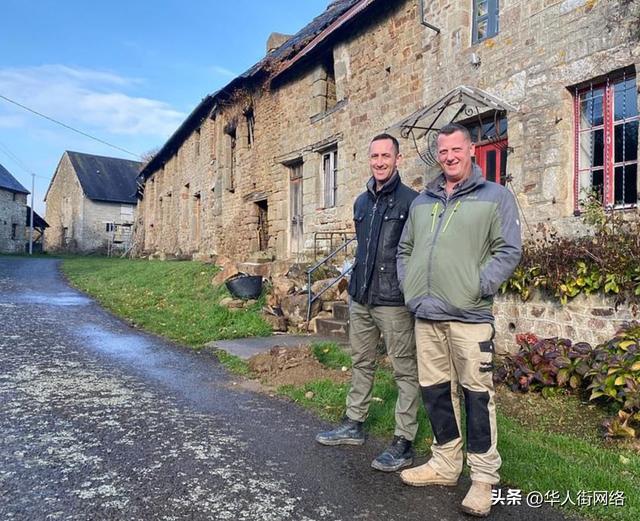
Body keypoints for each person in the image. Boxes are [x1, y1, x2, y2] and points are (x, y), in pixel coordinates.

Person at [396, 123, 522, 517]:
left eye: (456, 149)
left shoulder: (496, 197)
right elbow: (405, 249)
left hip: (469, 316)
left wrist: (476, 286)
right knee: (435, 392)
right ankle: (445, 464)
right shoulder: (422, 201)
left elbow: (508, 251)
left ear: (471, 150)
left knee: (477, 396)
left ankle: (483, 478)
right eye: (443, 151)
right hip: (426, 314)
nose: (449, 157)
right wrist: (411, 288)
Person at [316, 133, 420, 472]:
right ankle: (353, 423)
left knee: (405, 370)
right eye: (374, 156)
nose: (379, 162)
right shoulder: (361, 202)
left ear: (397, 159)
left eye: (385, 156)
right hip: (361, 296)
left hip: (393, 300)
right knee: (361, 361)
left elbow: (414, 254)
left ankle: (403, 440)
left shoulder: (412, 202)